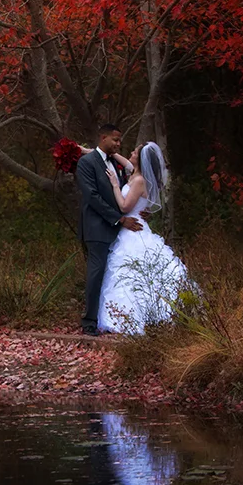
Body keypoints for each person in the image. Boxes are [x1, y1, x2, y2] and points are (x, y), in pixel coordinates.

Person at [97, 141, 190, 335]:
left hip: (132, 228)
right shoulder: (135, 173)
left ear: (140, 159)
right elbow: (115, 157)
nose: (130, 153)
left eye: (134, 152)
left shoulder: (139, 180)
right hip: (134, 227)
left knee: (130, 273)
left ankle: (134, 316)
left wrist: (115, 185)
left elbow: (124, 207)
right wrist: (87, 151)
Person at [76, 124, 143, 336]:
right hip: (97, 228)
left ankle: (118, 318)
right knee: (96, 273)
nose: (118, 143)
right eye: (115, 140)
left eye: (120, 140)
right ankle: (89, 323)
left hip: (120, 231)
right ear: (103, 137)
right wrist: (120, 219)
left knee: (117, 274)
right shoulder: (86, 163)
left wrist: (142, 210)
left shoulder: (116, 162)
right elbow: (92, 197)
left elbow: (129, 189)